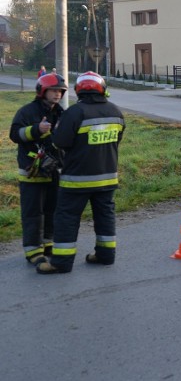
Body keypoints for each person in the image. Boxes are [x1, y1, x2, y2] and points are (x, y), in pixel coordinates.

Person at [35, 71, 125, 275]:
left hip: (77, 180)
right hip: (107, 178)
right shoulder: (116, 111)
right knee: (105, 216)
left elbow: (60, 142)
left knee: (66, 218)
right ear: (102, 89)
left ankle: (61, 263)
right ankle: (105, 255)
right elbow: (117, 140)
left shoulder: (75, 113)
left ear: (79, 90)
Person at [9, 73, 66, 265]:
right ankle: (33, 250)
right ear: (43, 91)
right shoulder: (27, 111)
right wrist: (36, 130)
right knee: (33, 213)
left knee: (53, 210)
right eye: (53, 90)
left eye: (60, 91)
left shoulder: (60, 112)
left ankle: (48, 244)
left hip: (54, 171)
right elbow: (14, 134)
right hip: (32, 171)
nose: (57, 94)